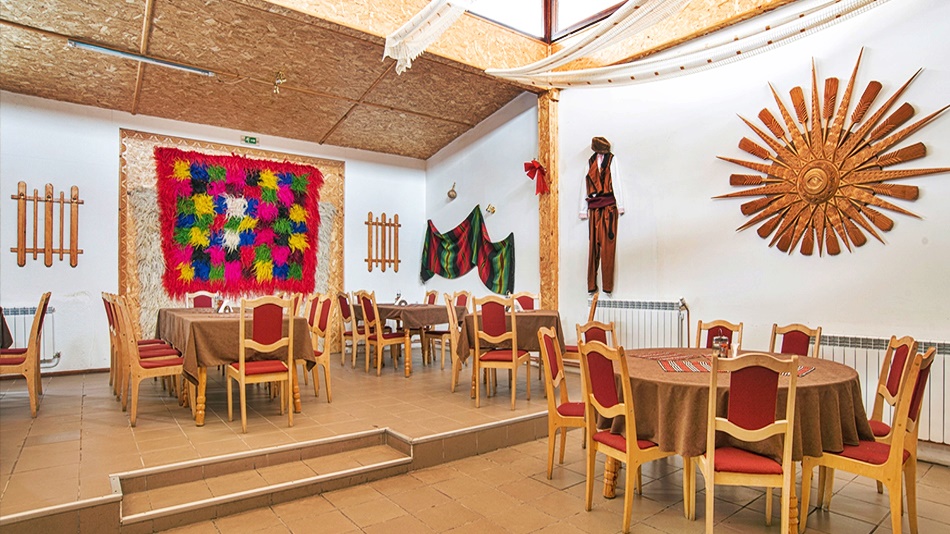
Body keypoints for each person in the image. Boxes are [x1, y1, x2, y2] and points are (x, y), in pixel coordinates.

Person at [579, 136, 625, 294]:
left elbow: (616, 182)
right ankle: (591, 285)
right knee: (593, 247)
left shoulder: (612, 160)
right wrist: (583, 209)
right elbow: (584, 186)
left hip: (609, 208)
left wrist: (619, 205)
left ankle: (607, 286)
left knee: (608, 248)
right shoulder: (590, 162)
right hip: (594, 208)